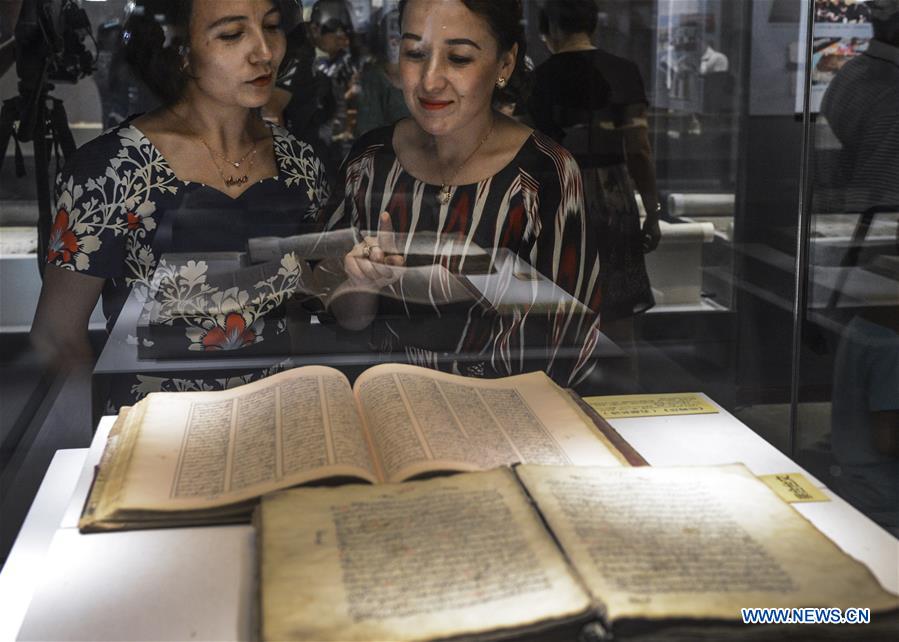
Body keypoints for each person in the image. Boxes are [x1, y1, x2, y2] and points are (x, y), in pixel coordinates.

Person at [31, 0, 329, 400]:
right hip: (158, 433)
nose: (264, 52)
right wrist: (112, 430)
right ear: (181, 54)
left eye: (272, 27)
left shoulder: (299, 163)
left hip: (271, 424)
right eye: (232, 34)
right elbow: (56, 334)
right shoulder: (111, 170)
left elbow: (298, 317)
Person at [322, 0, 603, 387]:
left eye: (458, 57)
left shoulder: (544, 175)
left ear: (505, 65)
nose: (430, 80)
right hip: (385, 408)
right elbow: (345, 320)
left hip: (503, 421)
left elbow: (567, 345)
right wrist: (363, 284)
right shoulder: (370, 162)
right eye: (415, 53)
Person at [528, 0, 659, 353]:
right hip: (613, 196)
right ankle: (622, 398)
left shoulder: (540, 78)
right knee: (618, 318)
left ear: (550, 30)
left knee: (562, 313)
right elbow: (639, 150)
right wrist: (652, 210)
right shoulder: (624, 71)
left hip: (558, 198)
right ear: (593, 25)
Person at [354, 6, 410, 136]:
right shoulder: (374, 79)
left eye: (399, 35)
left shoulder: (425, 74)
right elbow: (368, 134)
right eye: (390, 35)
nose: (394, 41)